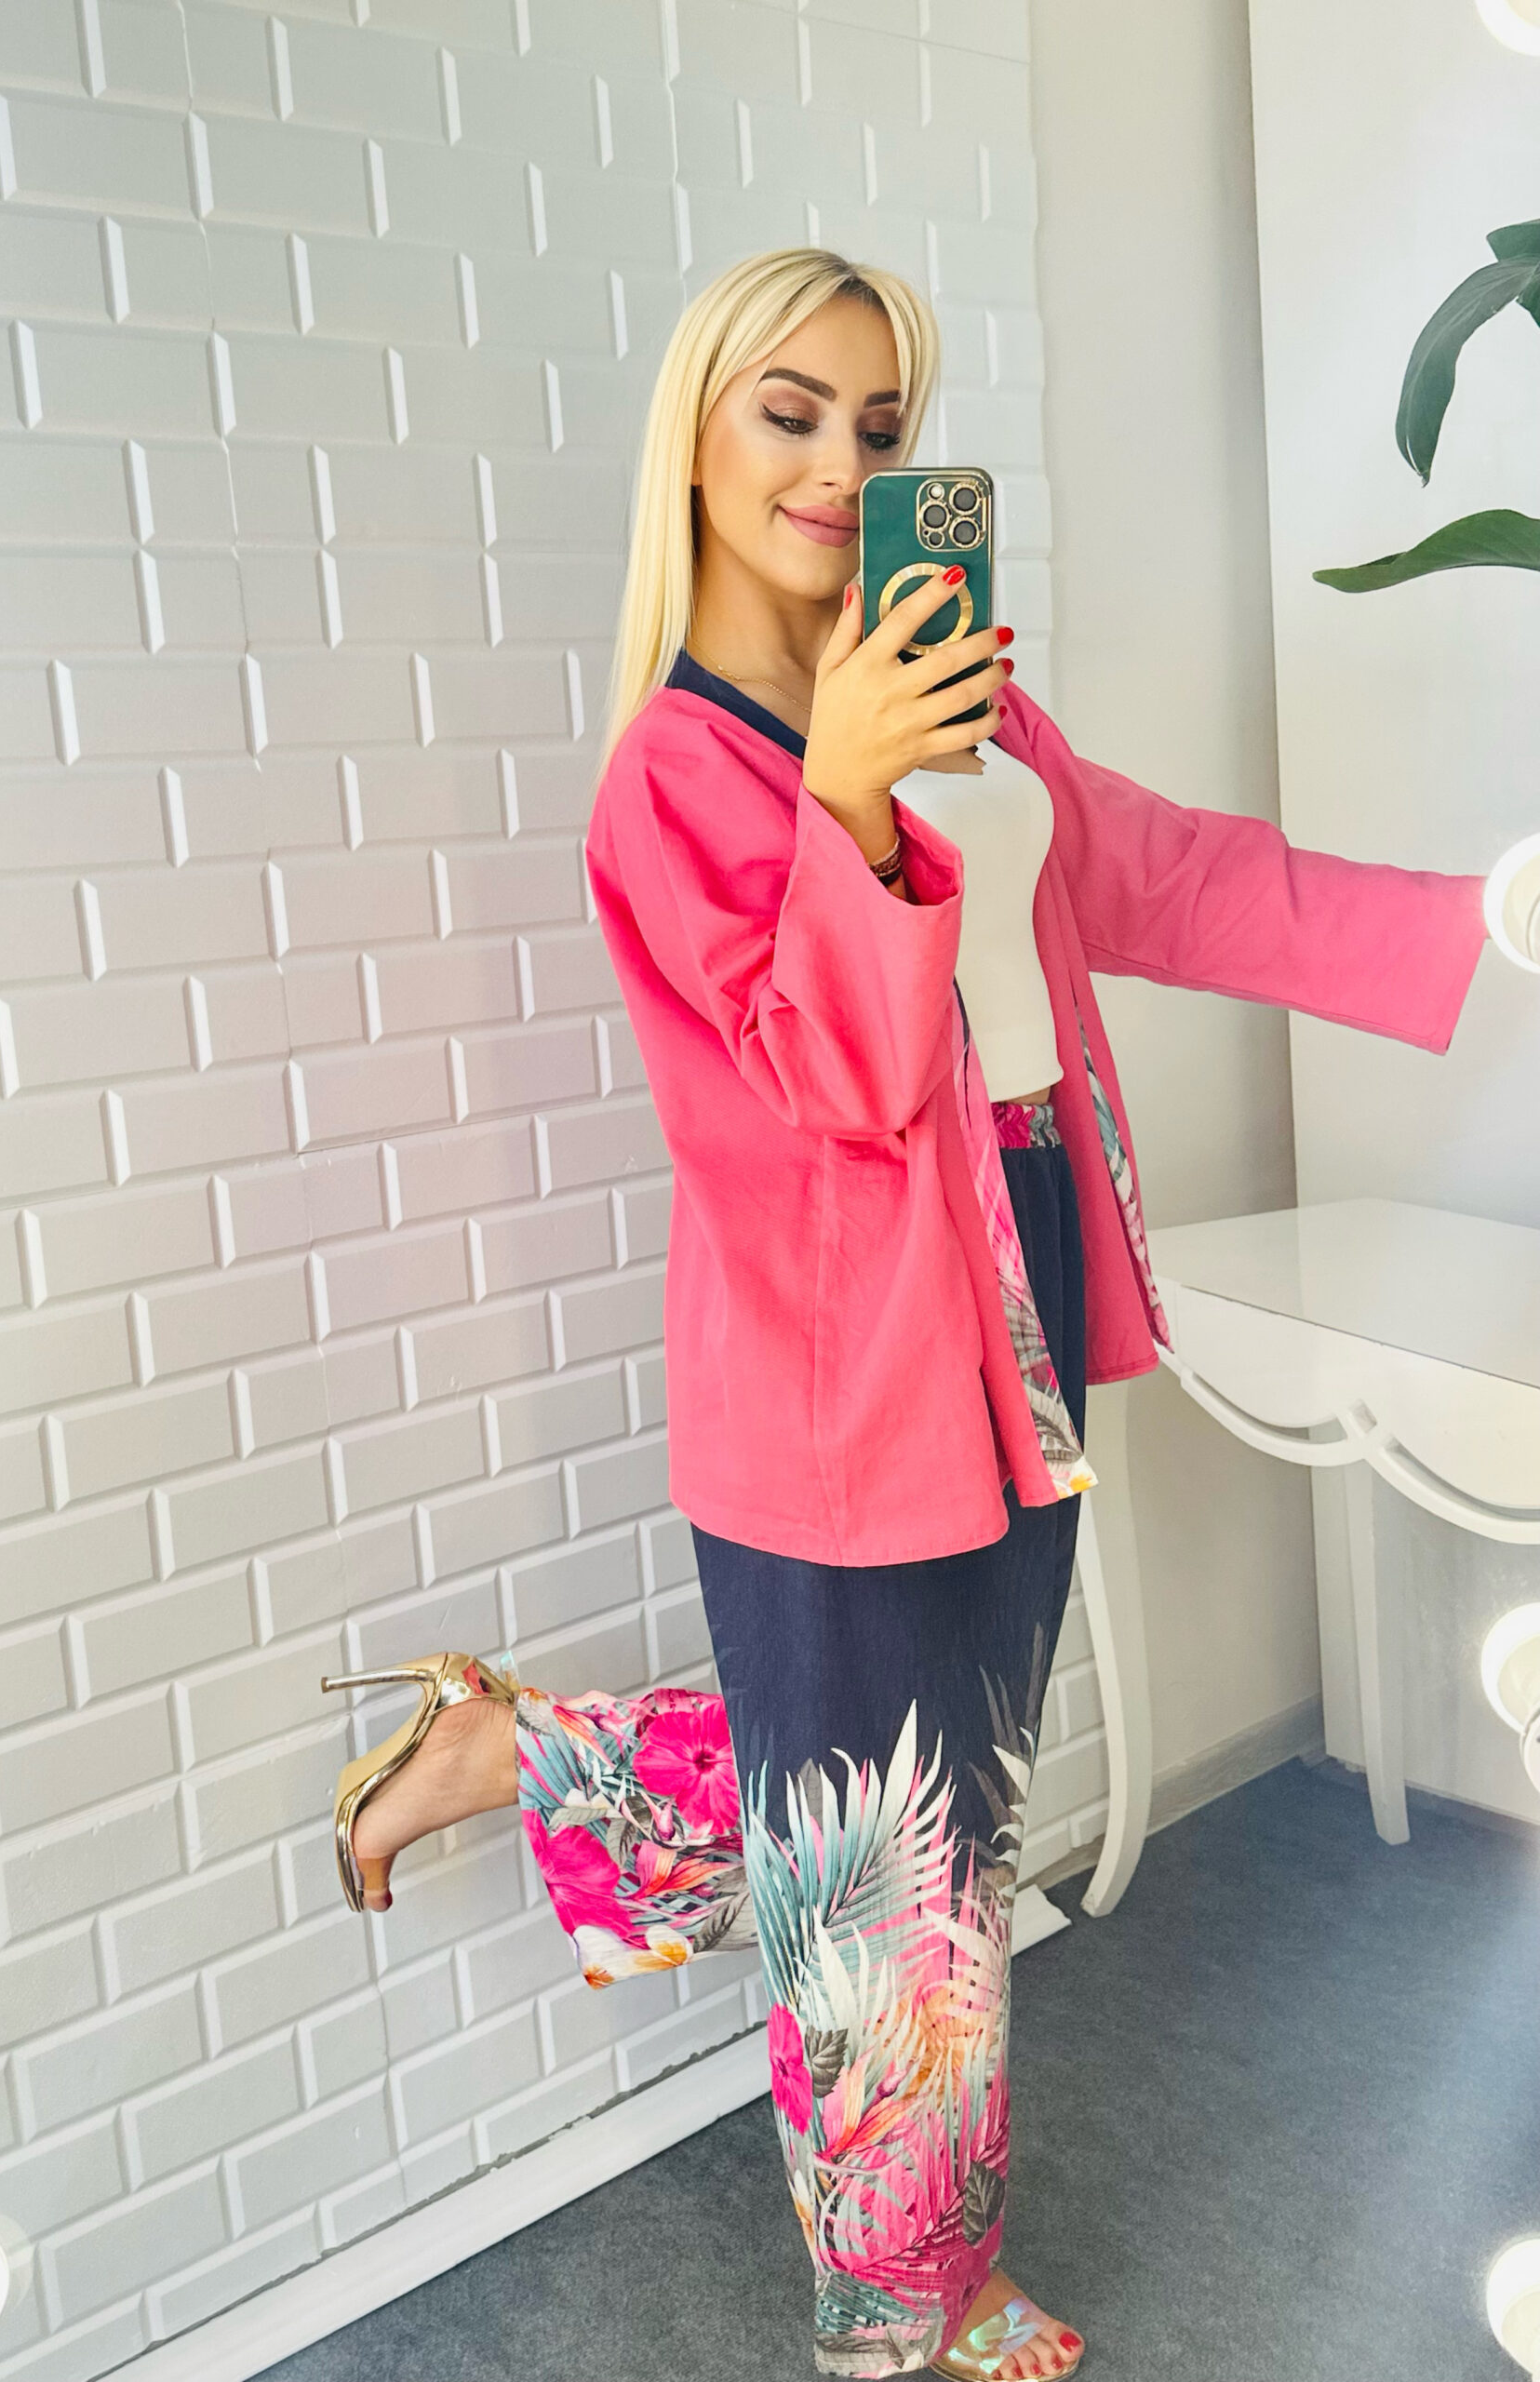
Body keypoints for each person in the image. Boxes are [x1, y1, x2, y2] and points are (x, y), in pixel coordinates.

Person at [322, 249, 1492, 2380]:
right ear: (696, 438)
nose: (835, 461)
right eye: (789, 411)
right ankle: (905, 2311)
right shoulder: (675, 776)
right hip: (835, 1365)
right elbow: (828, 1086)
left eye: (878, 424)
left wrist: (1480, 916)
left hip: (1021, 1284)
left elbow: (1157, 871)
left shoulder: (956, 688)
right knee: (898, 1868)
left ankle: (522, 1751)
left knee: (939, 1794)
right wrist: (849, 793)